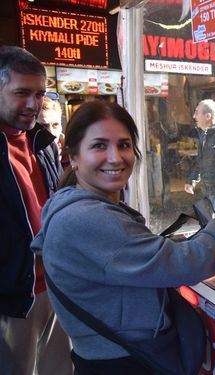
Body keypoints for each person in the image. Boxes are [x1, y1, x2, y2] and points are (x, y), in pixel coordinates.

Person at [31, 100, 215, 374]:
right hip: (123, 362)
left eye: (124, 145)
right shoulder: (85, 218)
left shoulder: (74, 204)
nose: (116, 157)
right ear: (73, 156)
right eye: (99, 145)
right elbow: (184, 265)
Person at [0, 46, 71, 375]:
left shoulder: (43, 142)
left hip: (56, 289)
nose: (33, 104)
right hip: (13, 301)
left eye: (40, 93)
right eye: (21, 93)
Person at [184, 99, 215, 215]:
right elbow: (201, 160)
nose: (194, 116)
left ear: (208, 116)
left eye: (197, 113)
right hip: (207, 191)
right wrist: (191, 180)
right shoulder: (203, 133)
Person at [38, 95, 68, 168]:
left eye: (55, 125)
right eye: (44, 126)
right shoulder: (31, 157)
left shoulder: (75, 154)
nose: (51, 132)